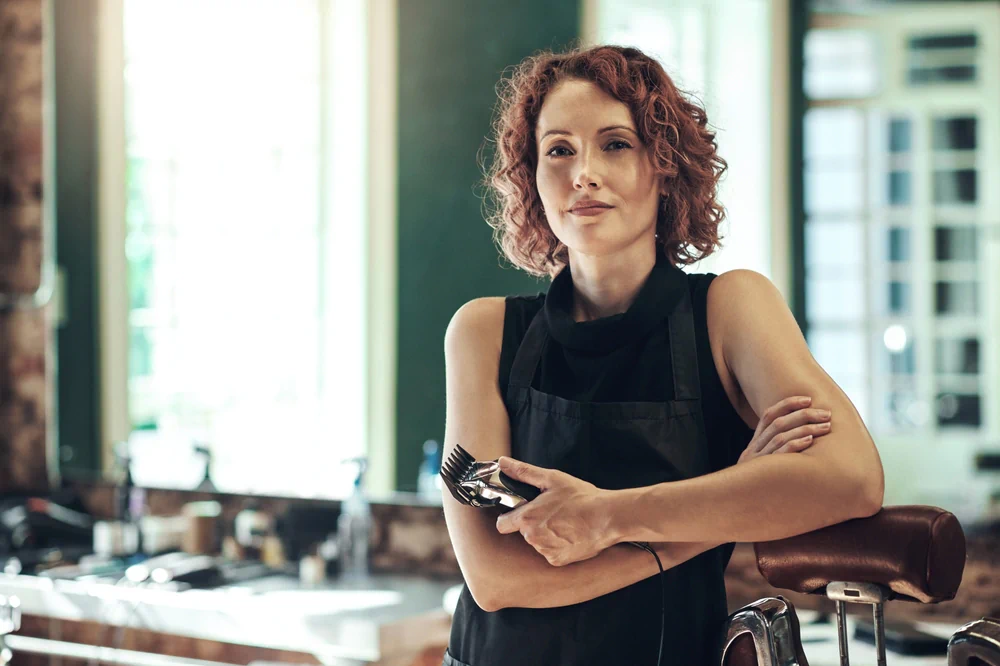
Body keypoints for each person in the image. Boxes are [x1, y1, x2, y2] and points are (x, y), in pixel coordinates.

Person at [440, 44, 884, 666]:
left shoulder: (731, 309)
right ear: (532, 177)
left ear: (665, 165)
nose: (583, 173)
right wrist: (711, 517)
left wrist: (610, 516)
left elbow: (851, 479)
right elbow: (496, 580)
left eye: (615, 143)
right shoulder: (483, 331)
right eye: (559, 149)